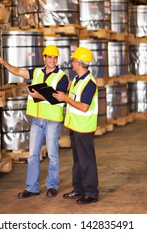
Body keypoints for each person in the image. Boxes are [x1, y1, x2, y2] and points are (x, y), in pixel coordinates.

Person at [0, 45, 69, 198]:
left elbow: (59, 97)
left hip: (52, 121)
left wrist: (38, 95)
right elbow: (18, 71)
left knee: (53, 154)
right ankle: (32, 188)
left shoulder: (62, 76)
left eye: (55, 58)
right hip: (37, 120)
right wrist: (4, 63)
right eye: (50, 57)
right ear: (44, 58)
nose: (53, 60)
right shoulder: (37, 72)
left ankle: (52, 186)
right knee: (33, 155)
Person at [53, 46, 99, 205]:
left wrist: (65, 99)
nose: (71, 62)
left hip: (84, 128)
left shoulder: (89, 83)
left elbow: (84, 107)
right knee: (78, 161)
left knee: (87, 161)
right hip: (75, 126)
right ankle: (79, 189)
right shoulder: (77, 80)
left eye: (73, 59)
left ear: (79, 63)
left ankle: (91, 193)